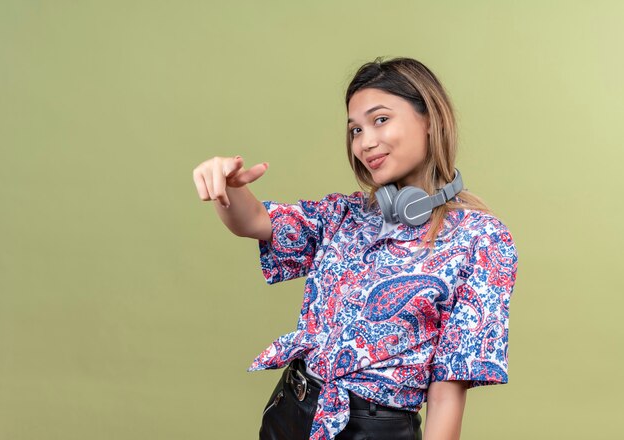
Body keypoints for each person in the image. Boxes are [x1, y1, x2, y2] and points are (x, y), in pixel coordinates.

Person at [192, 57, 519, 440]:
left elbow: (449, 389)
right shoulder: (344, 216)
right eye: (355, 129)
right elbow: (254, 222)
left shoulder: (483, 240)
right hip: (291, 412)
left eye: (380, 120)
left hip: (372, 430)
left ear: (431, 119)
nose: (365, 142)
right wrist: (226, 185)